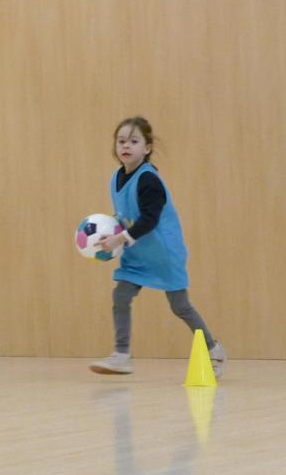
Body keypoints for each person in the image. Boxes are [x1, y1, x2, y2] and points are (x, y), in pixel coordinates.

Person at [90, 116, 226, 377]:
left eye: (133, 141)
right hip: (137, 253)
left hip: (163, 254)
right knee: (121, 296)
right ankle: (121, 355)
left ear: (147, 148)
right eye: (121, 141)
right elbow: (124, 216)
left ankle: (213, 349)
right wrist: (108, 238)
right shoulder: (115, 179)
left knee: (180, 306)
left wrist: (119, 239)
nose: (126, 146)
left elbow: (149, 220)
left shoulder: (148, 180)